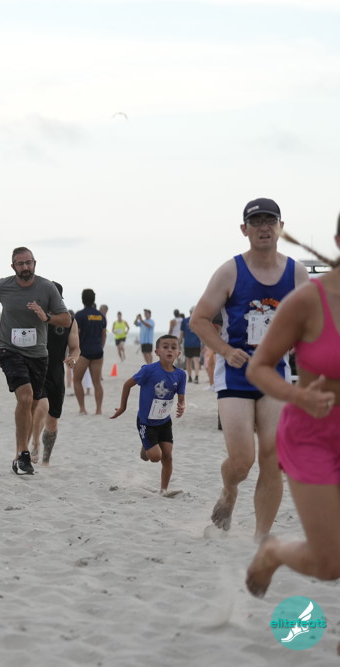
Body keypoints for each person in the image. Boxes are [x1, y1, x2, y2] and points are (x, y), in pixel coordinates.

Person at [191, 197, 308, 537]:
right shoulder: (230, 271)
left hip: (274, 374)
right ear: (244, 229)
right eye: (256, 222)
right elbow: (199, 319)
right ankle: (229, 491)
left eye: (270, 220)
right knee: (243, 462)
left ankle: (260, 538)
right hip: (236, 374)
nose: (263, 227)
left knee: (273, 460)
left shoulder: (296, 273)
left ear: (281, 227)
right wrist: (226, 350)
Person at [244, 219, 340, 598]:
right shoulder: (308, 301)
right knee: (330, 564)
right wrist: (299, 396)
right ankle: (273, 552)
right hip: (314, 435)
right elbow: (259, 367)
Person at [0, 247, 71, 475]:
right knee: (25, 396)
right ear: (13, 266)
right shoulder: (3, 286)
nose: (25, 267)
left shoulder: (47, 287)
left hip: (38, 354)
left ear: (35, 263)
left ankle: (18, 455)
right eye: (20, 264)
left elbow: (66, 319)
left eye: (28, 263)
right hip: (9, 349)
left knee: (31, 405)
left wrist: (46, 316)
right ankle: (23, 452)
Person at [110, 335, 187, 496]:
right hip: (146, 422)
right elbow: (127, 385)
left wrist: (182, 406)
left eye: (173, 347)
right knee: (154, 457)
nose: (169, 350)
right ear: (157, 352)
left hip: (164, 422)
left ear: (178, 353)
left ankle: (163, 490)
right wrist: (123, 407)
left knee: (167, 456)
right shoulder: (148, 370)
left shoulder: (181, 375)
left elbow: (181, 397)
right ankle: (146, 445)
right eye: (165, 347)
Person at [31, 282, 79, 465]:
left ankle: (46, 459)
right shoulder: (33, 316)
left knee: (52, 421)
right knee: (41, 406)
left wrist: (73, 358)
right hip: (36, 370)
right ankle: (35, 442)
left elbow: (75, 348)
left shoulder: (69, 321)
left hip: (57, 373)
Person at [73, 288, 107, 415]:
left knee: (77, 380)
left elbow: (76, 334)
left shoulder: (79, 315)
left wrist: (73, 350)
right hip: (97, 352)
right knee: (97, 382)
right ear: (94, 300)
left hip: (84, 352)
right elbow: (103, 335)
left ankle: (82, 408)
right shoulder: (101, 316)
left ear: (83, 300)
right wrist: (101, 347)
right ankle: (99, 410)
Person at [180, 307, 202, 383]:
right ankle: (196, 377)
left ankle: (189, 377)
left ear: (190, 312)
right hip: (196, 343)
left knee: (188, 361)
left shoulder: (185, 320)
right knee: (196, 361)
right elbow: (201, 333)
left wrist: (179, 342)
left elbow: (182, 333)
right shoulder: (199, 321)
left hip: (188, 343)